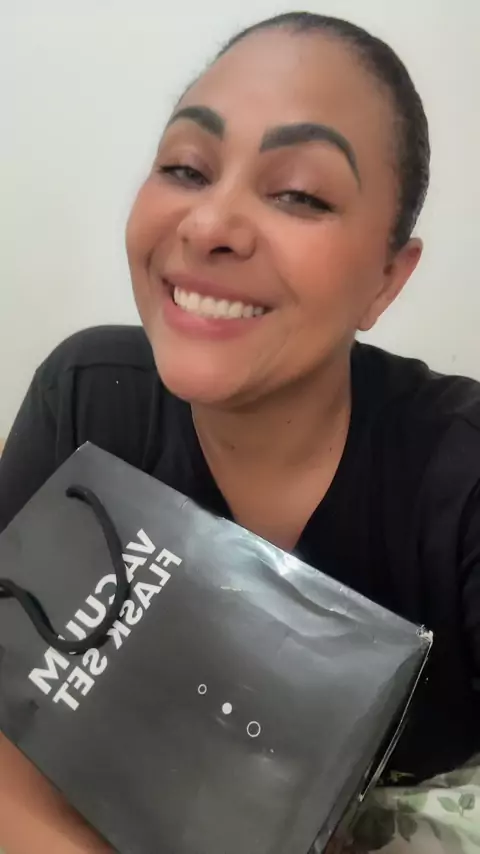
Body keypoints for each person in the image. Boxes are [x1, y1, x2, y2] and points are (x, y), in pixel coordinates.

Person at [0, 10, 478, 852]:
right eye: (185, 168)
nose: (208, 225)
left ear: (385, 279)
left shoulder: (460, 475)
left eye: (299, 194)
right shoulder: (90, 403)